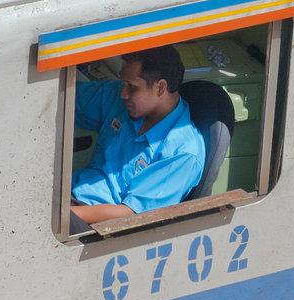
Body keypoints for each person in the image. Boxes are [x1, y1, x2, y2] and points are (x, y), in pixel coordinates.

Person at [70, 46, 206, 232]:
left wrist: (62, 214)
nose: (123, 93)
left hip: (95, 225)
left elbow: (131, 214)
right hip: (69, 194)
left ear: (160, 87)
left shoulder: (182, 153)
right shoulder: (121, 102)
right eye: (123, 83)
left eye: (132, 87)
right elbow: (62, 99)